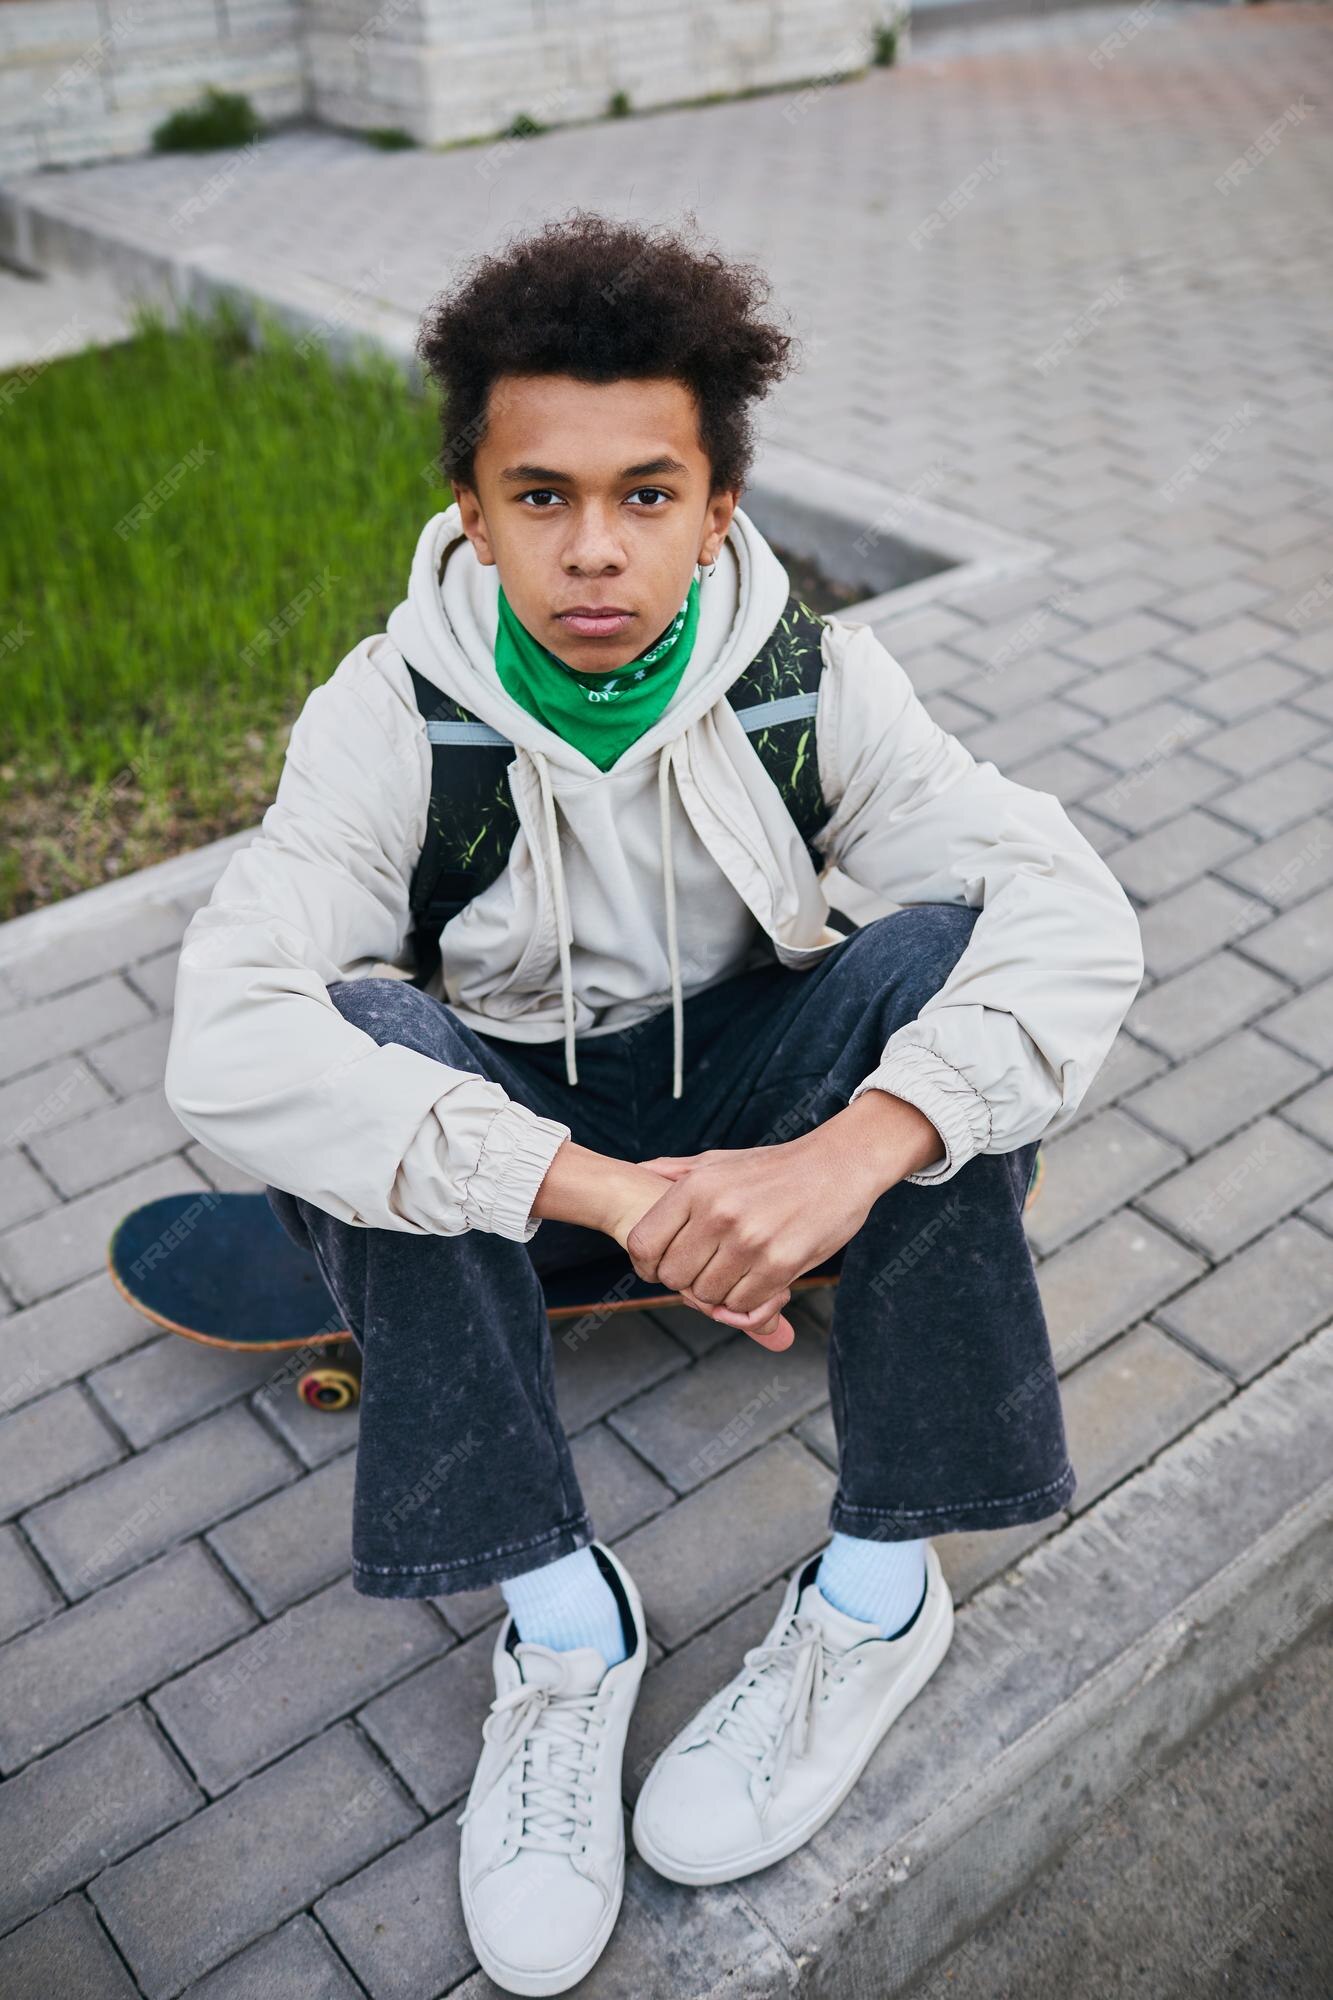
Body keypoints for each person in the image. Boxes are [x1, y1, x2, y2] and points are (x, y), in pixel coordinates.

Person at [164, 210, 1144, 1996]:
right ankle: (562, 1623)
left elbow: (1075, 912)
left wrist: (853, 1151)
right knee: (359, 1034)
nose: (594, 551)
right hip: (531, 1149)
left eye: (645, 494)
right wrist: (623, 1202)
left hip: (758, 1079)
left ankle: (874, 1594)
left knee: (941, 968)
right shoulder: (387, 718)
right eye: (541, 497)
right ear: (471, 505)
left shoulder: (810, 685)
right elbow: (221, 1037)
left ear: (719, 508)